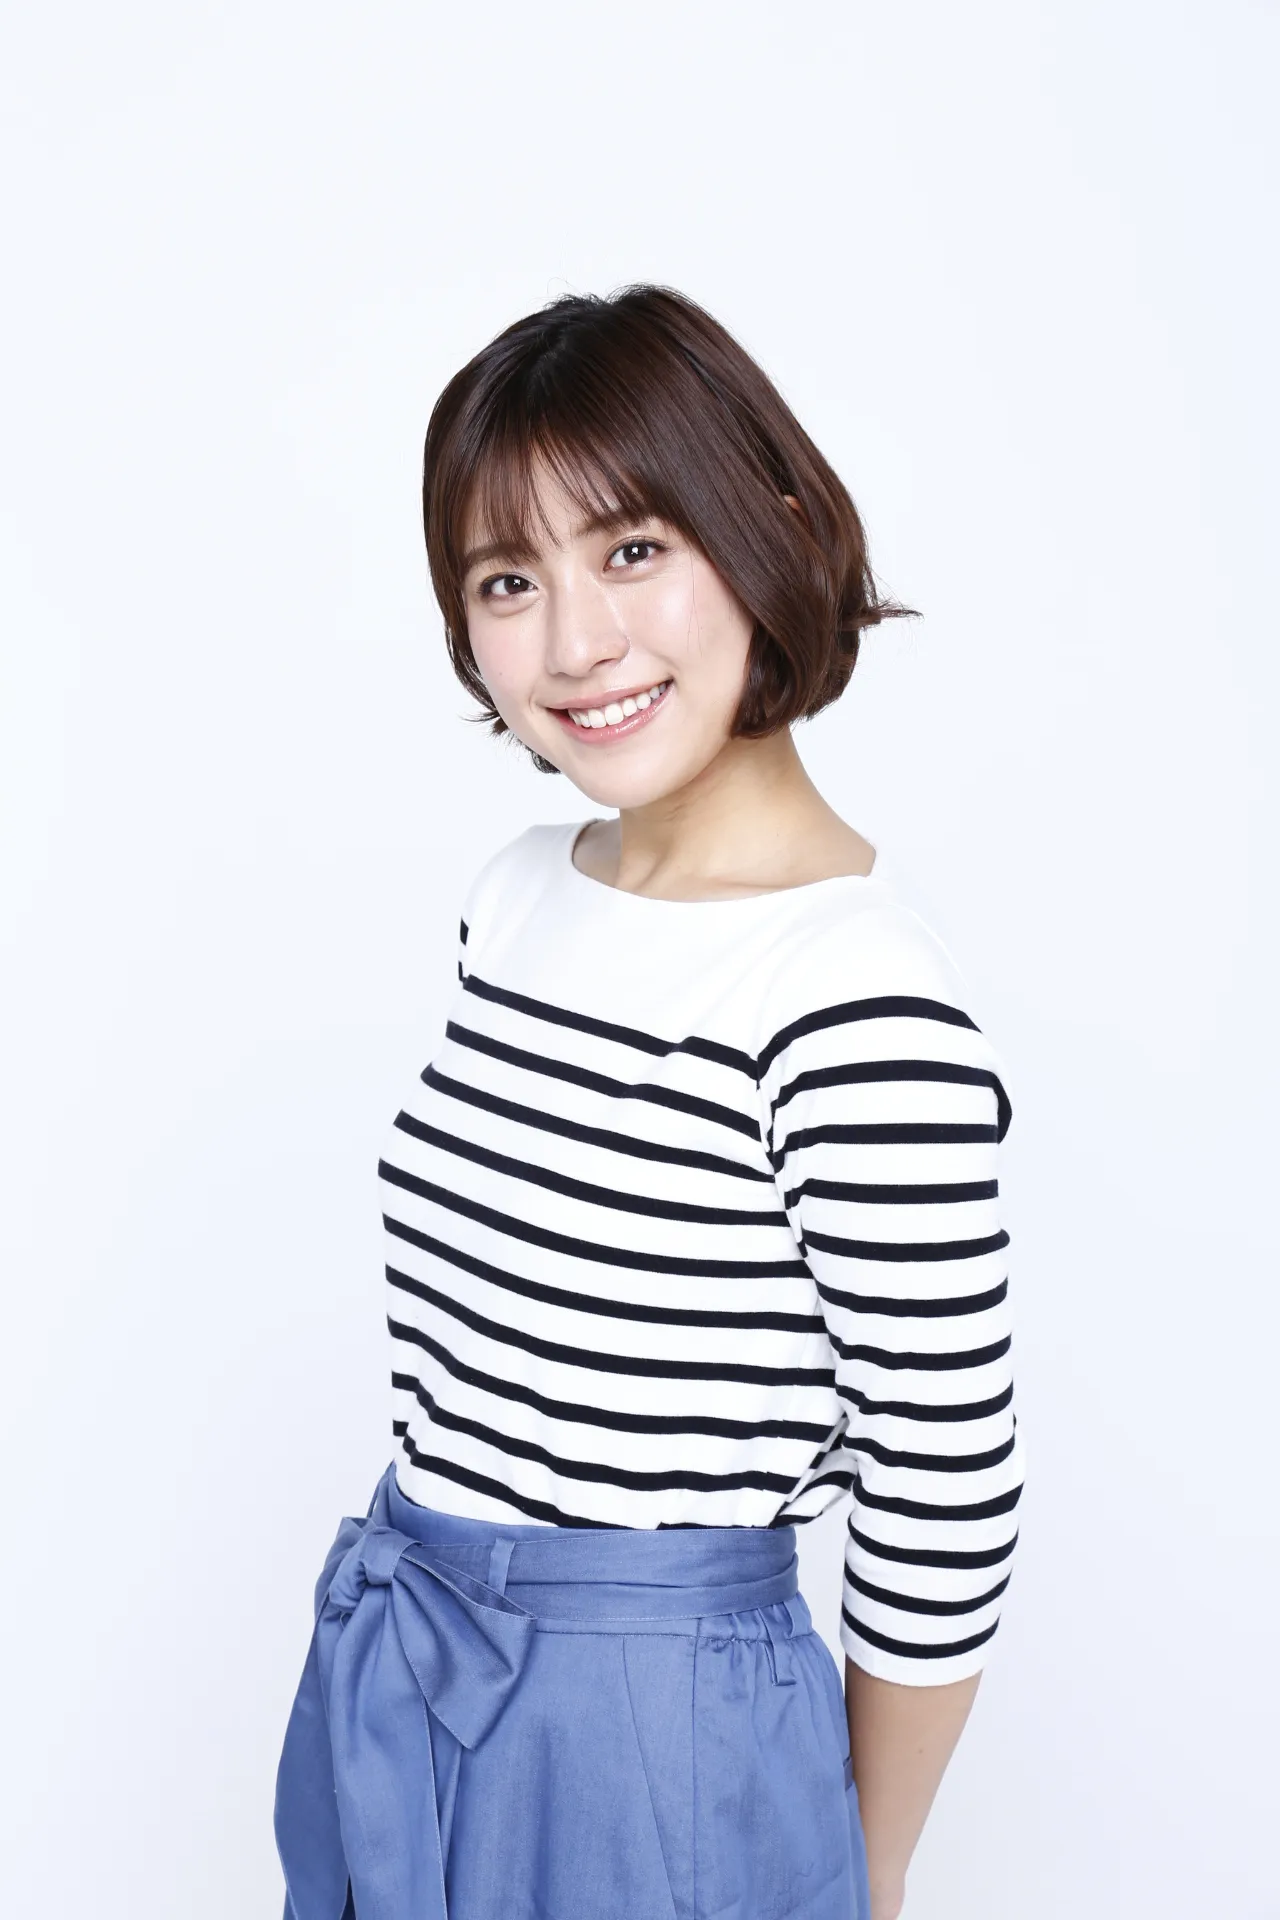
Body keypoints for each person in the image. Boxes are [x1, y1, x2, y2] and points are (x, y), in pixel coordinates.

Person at [273, 284, 1025, 1920]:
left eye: (631, 549)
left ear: (770, 530)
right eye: (508, 579)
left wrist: (863, 1869)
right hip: (403, 1663)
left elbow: (946, 1490)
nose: (575, 643)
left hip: (661, 1741)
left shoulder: (852, 990)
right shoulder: (515, 897)